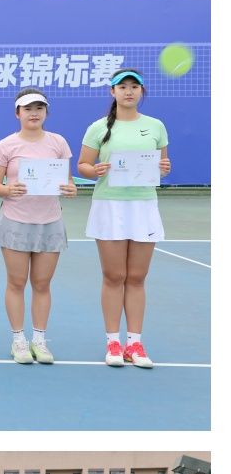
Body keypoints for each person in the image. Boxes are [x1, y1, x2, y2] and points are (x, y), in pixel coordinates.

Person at [78, 68, 171, 368]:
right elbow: (83, 165)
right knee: (114, 276)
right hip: (110, 206)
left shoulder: (155, 126)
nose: (128, 91)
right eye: (122, 87)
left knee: (137, 277)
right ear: (113, 92)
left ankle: (135, 343)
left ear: (141, 91)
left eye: (134, 87)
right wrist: (95, 170)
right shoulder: (98, 128)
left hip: (144, 207)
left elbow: (162, 164)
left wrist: (164, 169)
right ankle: (113, 342)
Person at [0, 88, 79, 365]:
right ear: (17, 113)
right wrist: (7, 190)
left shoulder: (58, 143)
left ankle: (39, 340)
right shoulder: (6, 145)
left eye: (39, 108)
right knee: (16, 283)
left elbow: (68, 181)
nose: (34, 113)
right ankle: (18, 340)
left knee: (42, 284)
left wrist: (70, 188)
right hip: (15, 221)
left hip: (49, 222)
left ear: (46, 112)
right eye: (28, 109)